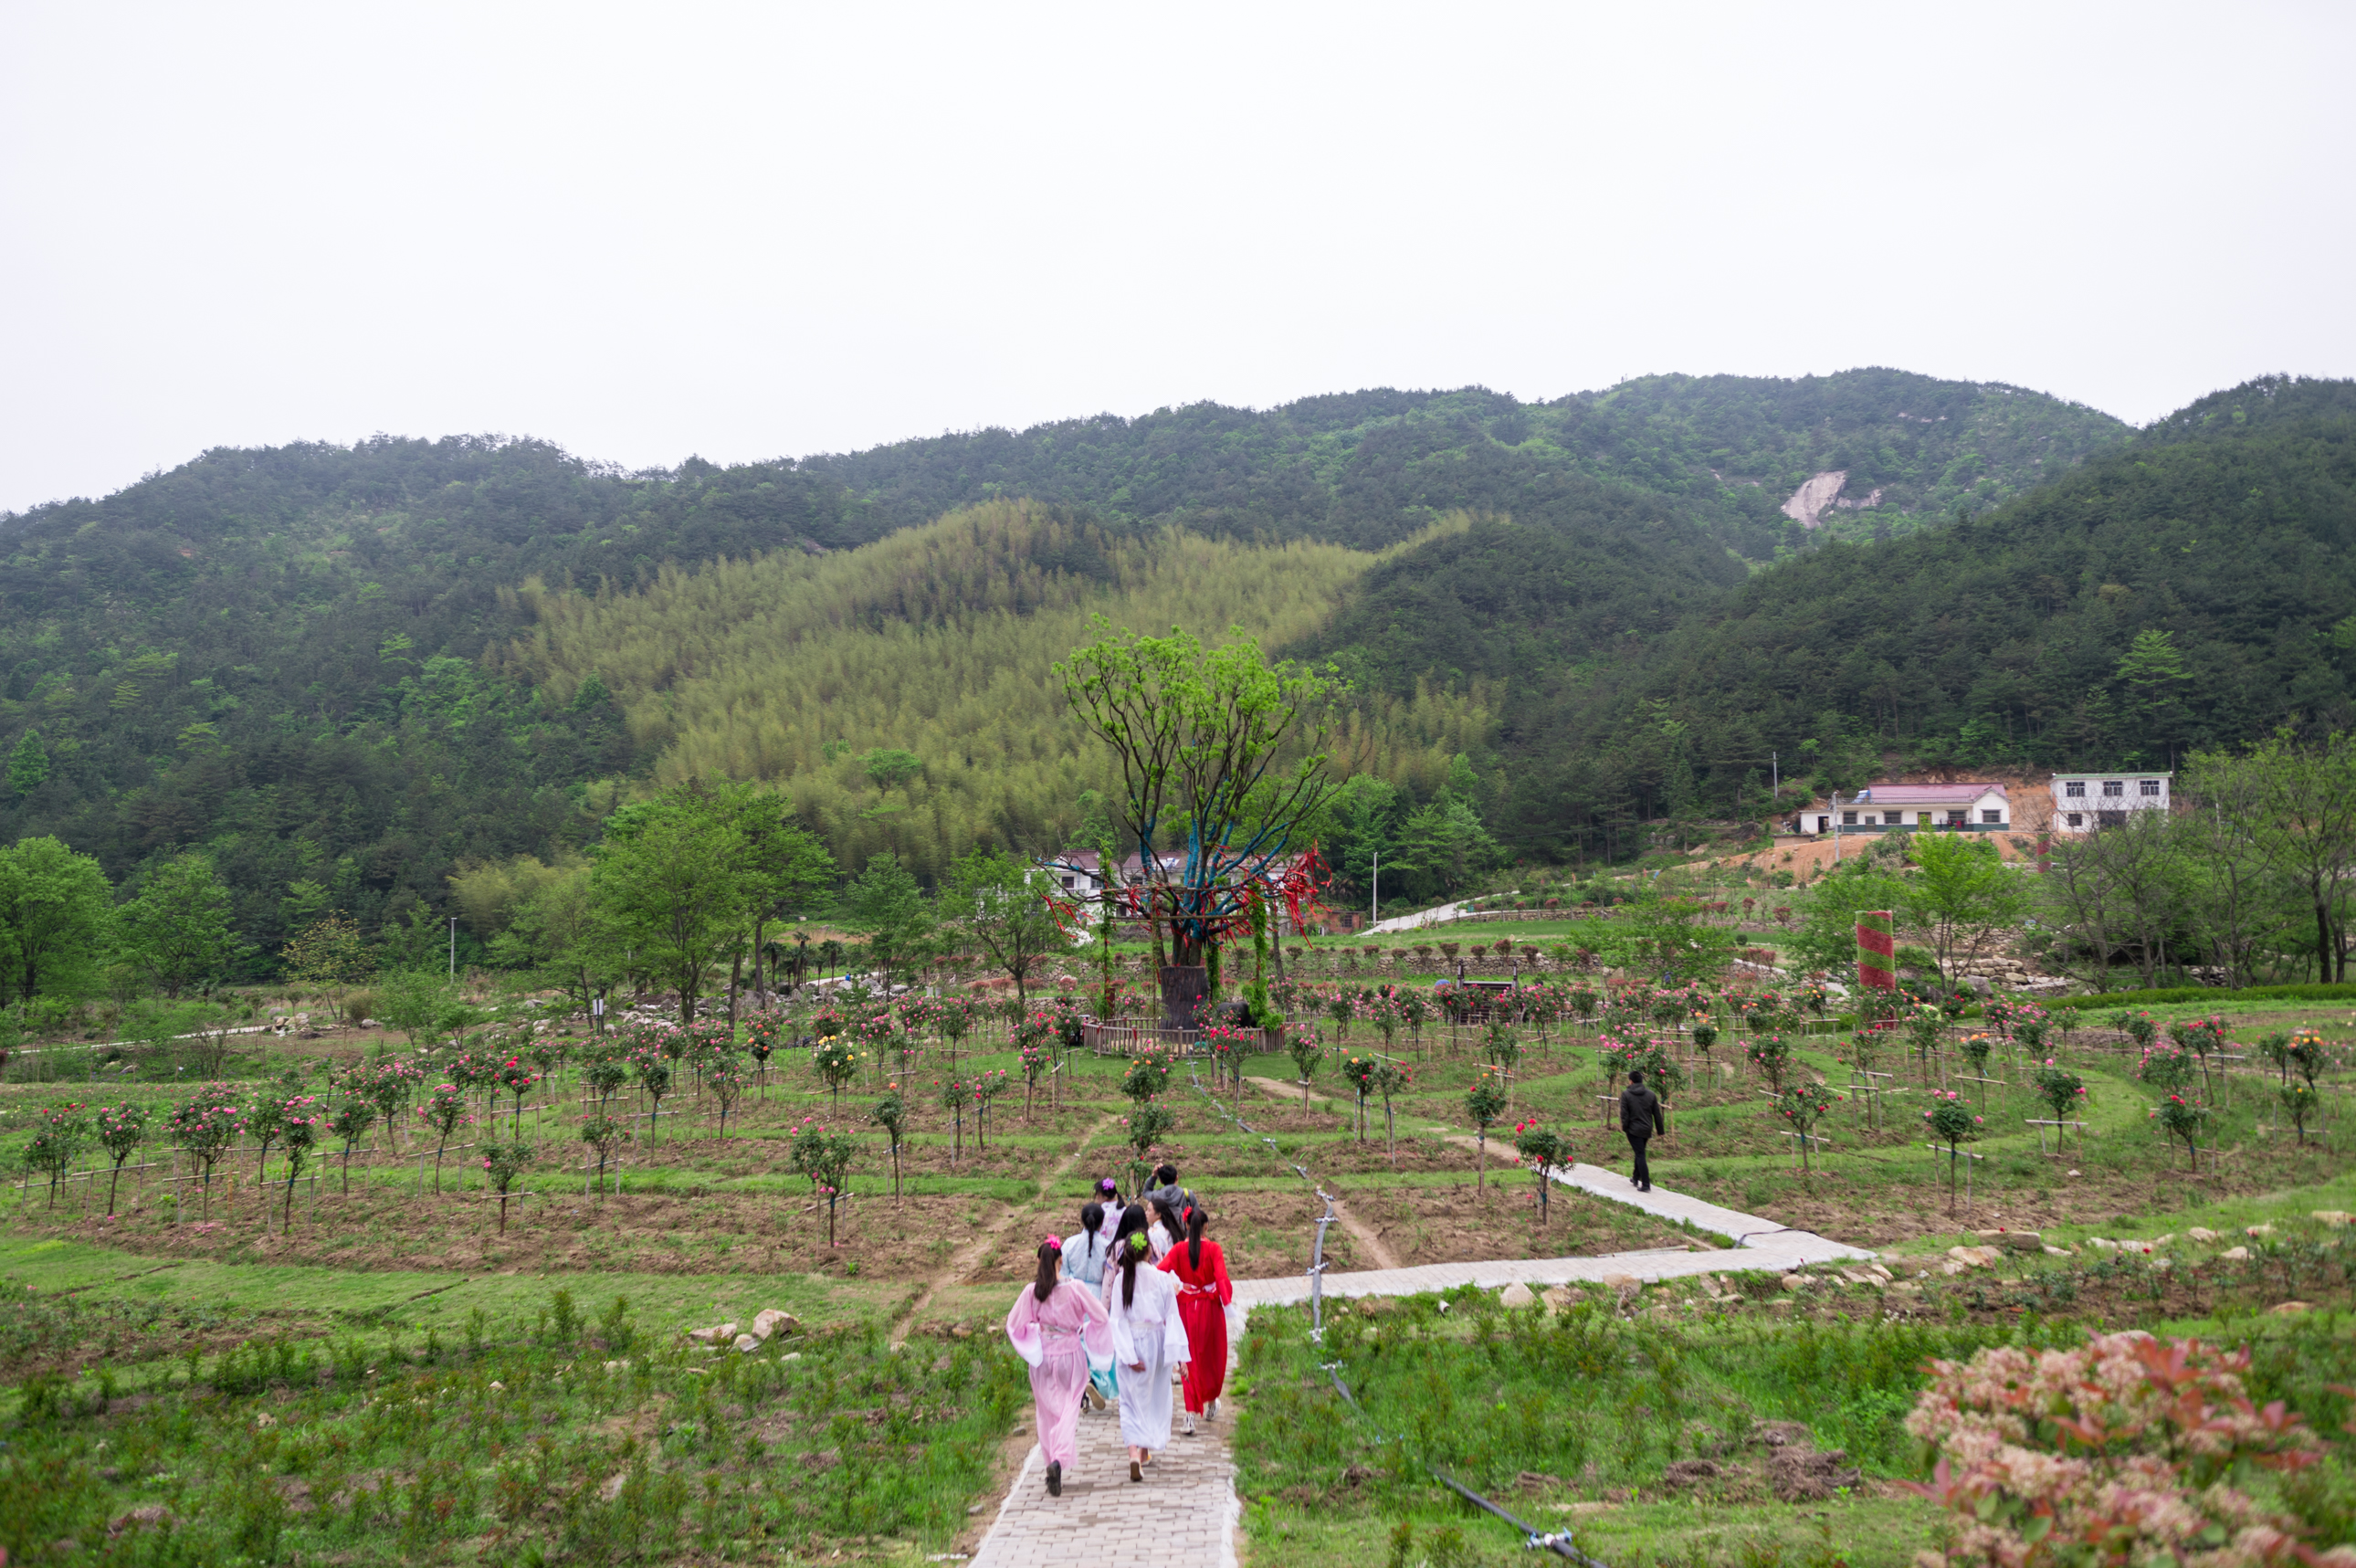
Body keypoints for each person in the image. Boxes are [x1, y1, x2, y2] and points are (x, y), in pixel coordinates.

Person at [1003, 1238, 1111, 1499]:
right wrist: (1085, 1330)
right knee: (1069, 1408)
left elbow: (1013, 1325)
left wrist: (1034, 1332)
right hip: (1070, 1353)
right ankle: (1059, 1461)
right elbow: (1102, 1317)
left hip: (1042, 1356)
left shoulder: (1032, 1291)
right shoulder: (1075, 1288)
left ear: (1040, 1261)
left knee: (1046, 1412)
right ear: (1061, 1260)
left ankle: (1051, 1459)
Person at [1101, 1219, 1188, 1482]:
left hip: (1132, 1340)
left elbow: (1116, 1321)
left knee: (1129, 1401)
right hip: (1157, 1343)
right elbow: (1172, 1317)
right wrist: (1180, 1358)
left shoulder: (1120, 1281)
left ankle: (1134, 1453)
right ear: (1149, 1252)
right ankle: (1145, 1451)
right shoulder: (1162, 1279)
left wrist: (1128, 1355)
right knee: (1152, 1397)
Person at [1157, 1205, 1233, 1435]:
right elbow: (1221, 1278)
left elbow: (1160, 1270)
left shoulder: (1179, 1249)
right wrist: (1227, 1303)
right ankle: (1210, 1401)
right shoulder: (1214, 1249)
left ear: (1186, 1226)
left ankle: (1190, 1415)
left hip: (1186, 1309)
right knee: (1211, 1357)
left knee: (1187, 1359)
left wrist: (1173, 1289)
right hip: (1209, 1309)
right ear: (1206, 1227)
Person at [1060, 1201, 1116, 1411]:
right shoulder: (1108, 1245)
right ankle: (1094, 1380)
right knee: (1097, 1342)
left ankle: (1080, 1387)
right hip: (1099, 1297)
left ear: (1081, 1220)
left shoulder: (1069, 1244)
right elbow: (1111, 1276)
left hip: (1074, 1296)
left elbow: (1063, 1274)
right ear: (1103, 1223)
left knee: (1078, 1343)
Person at [1618, 1068, 1667, 1192]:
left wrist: (1625, 1128)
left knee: (1640, 1154)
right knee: (1639, 1151)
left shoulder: (1626, 1095)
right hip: (1646, 1130)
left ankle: (1646, 1184)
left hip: (1634, 1130)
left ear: (1631, 1082)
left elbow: (1624, 1114)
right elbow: (1657, 1114)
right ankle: (1635, 1178)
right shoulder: (1651, 1094)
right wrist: (1660, 1131)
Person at [1144, 1196, 1185, 1262]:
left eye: (1149, 1210)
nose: (1146, 1213)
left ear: (1158, 1214)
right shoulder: (1171, 1229)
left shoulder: (1152, 1232)